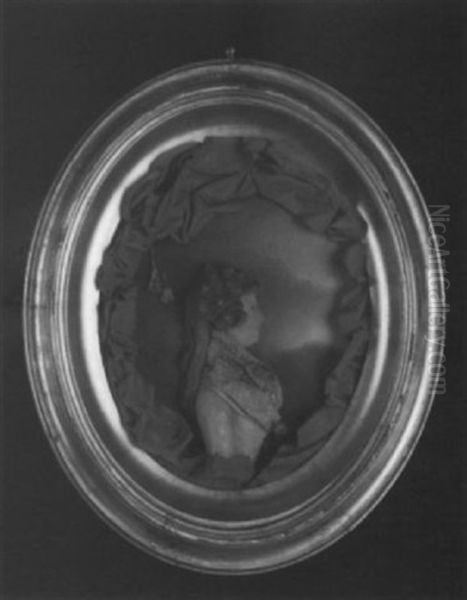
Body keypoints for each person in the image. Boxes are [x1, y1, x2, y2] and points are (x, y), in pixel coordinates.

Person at [181, 263, 286, 489]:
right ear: (228, 317)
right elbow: (226, 477)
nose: (262, 318)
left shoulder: (244, 377)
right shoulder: (214, 393)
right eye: (253, 308)